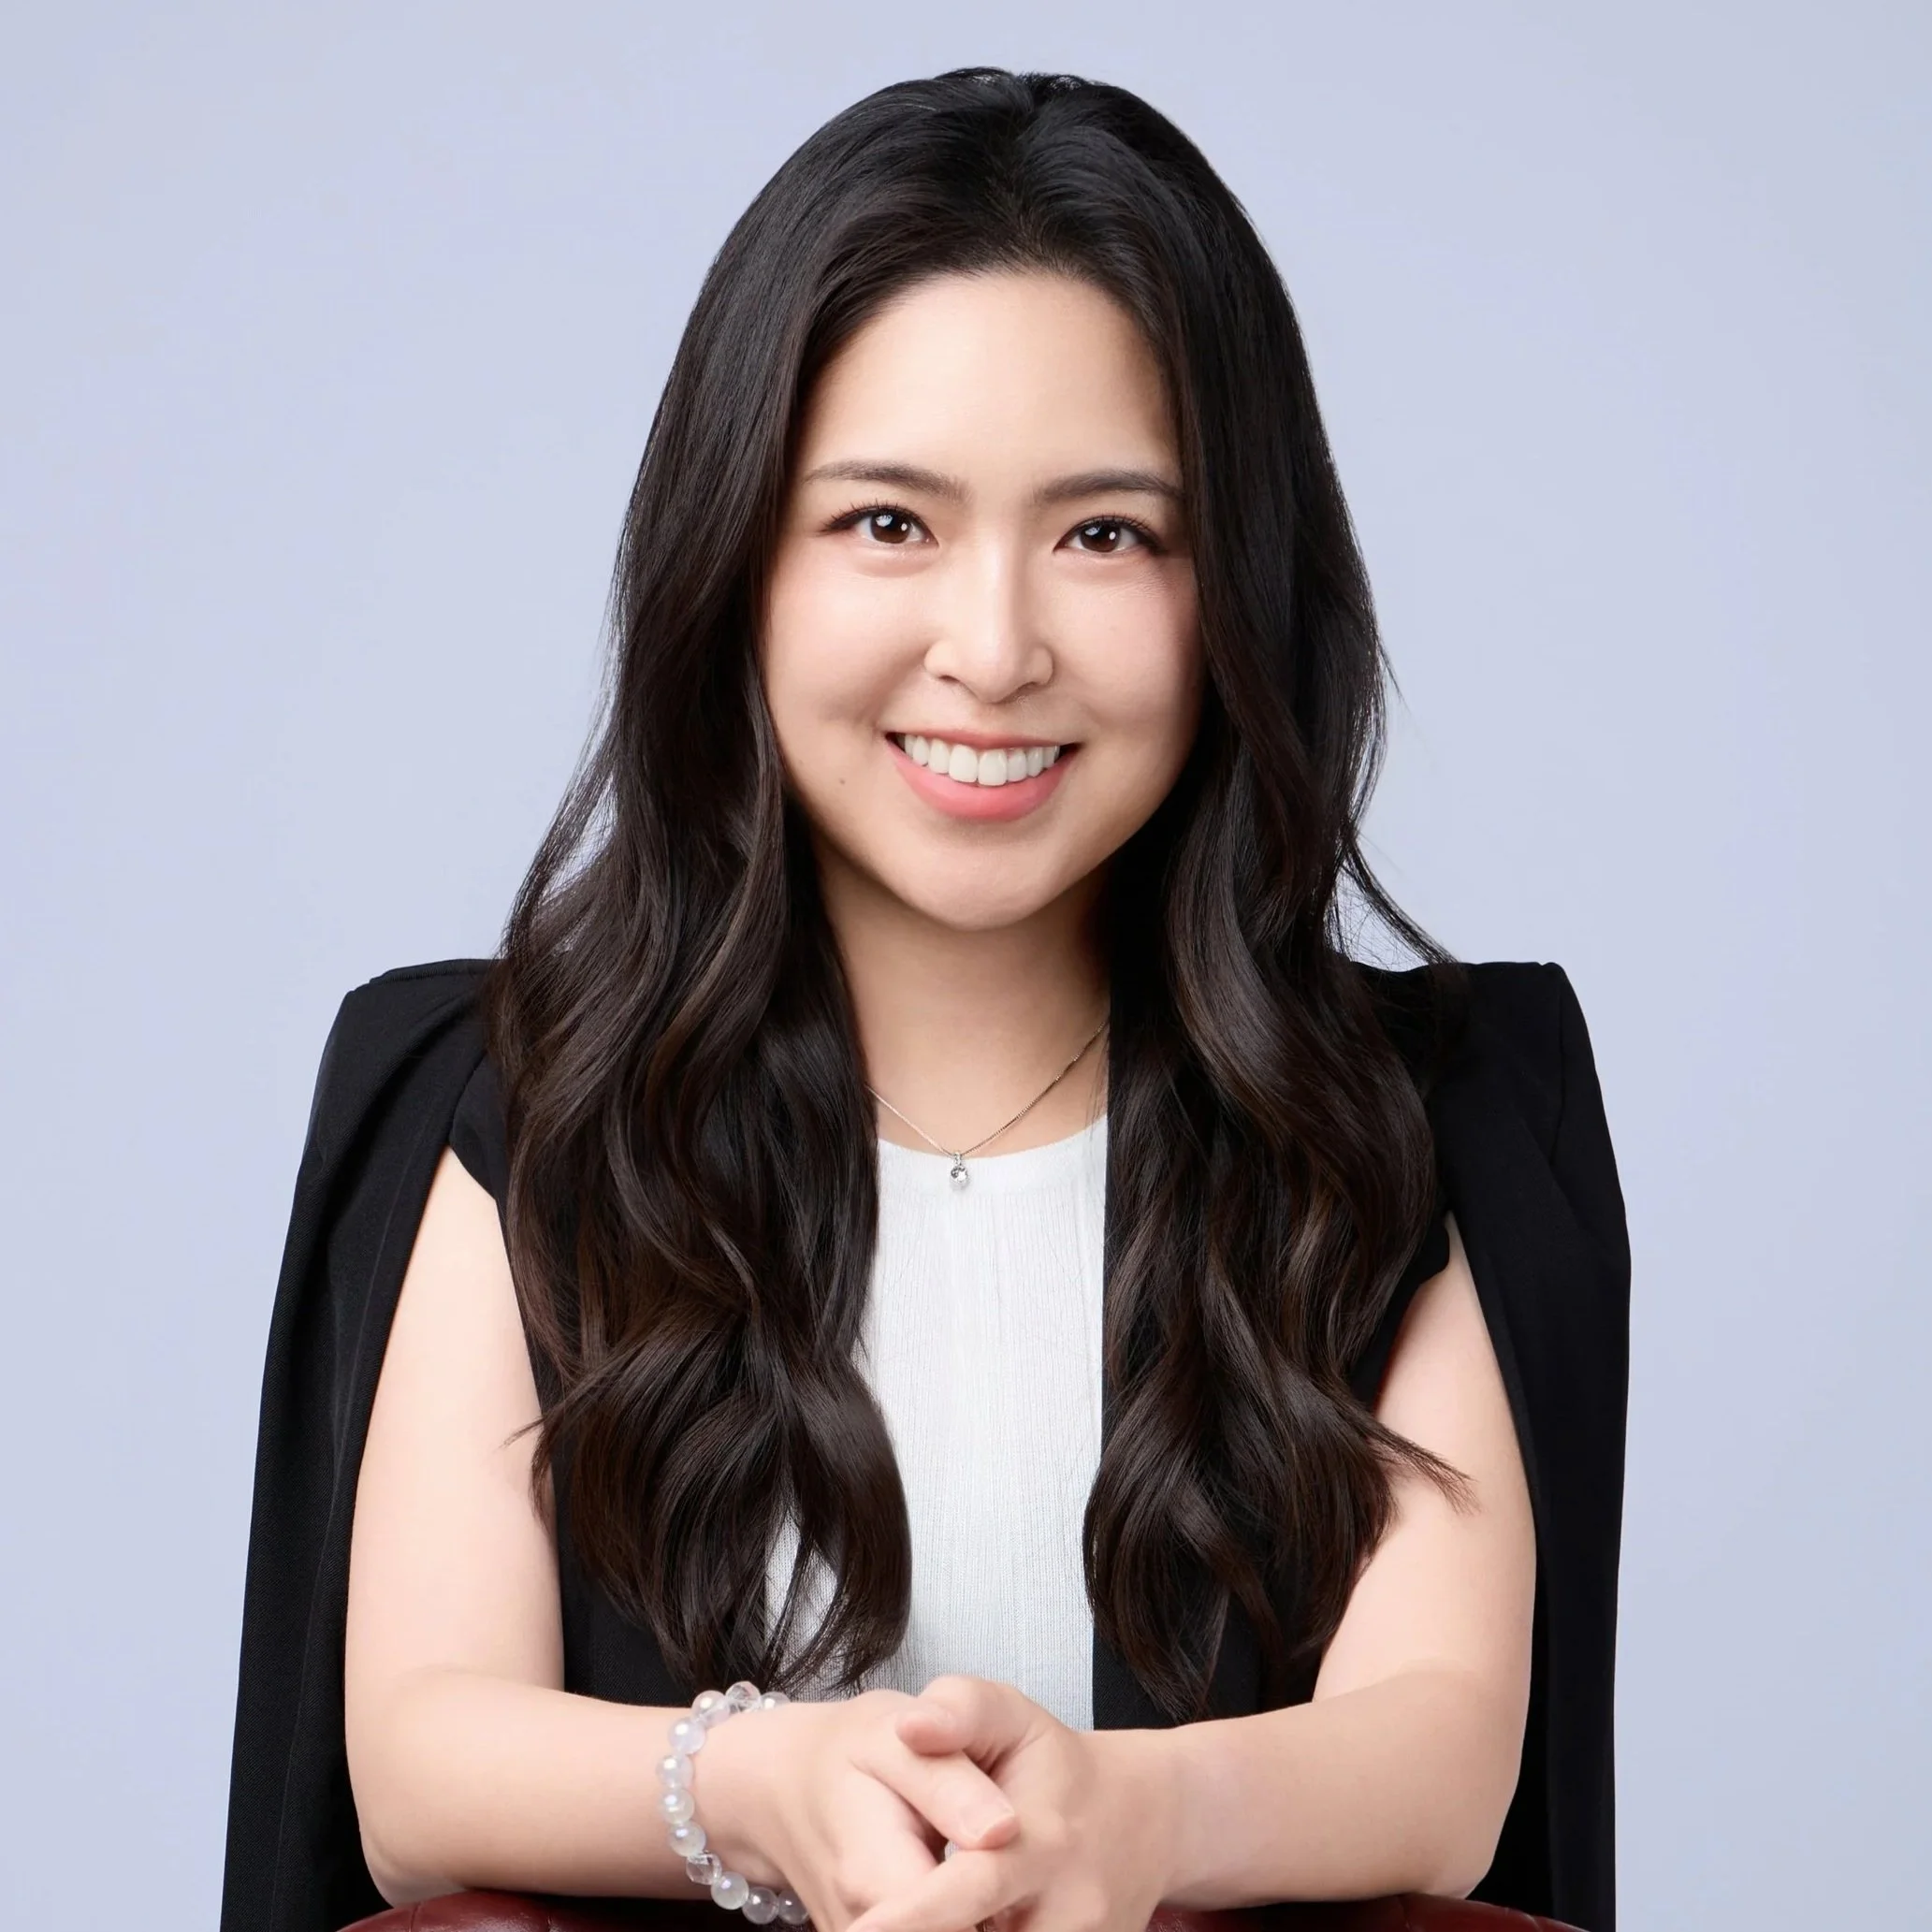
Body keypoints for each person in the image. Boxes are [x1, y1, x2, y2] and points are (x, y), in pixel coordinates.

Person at [220, 68, 1629, 1932]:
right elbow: (420, 1768)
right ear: (735, 558)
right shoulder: (505, 1098)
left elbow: (1442, 1757)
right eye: (888, 523)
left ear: (1242, 585)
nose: (993, 648)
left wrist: (1129, 1821)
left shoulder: (1432, 1112)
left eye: (1107, 534)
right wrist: (758, 1785)